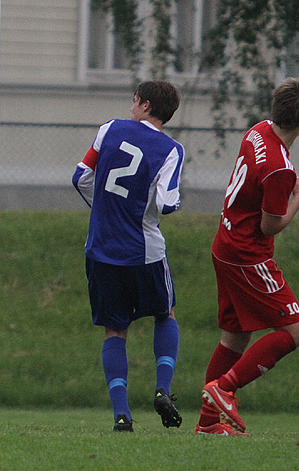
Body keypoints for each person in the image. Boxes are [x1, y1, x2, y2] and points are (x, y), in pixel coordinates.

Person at [197, 77, 299, 436]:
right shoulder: (280, 168)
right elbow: (271, 226)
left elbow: (266, 173)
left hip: (224, 245)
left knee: (234, 339)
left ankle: (208, 423)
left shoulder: (258, 131)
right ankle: (224, 389)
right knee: (294, 331)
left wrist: (297, 184)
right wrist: (297, 199)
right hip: (248, 256)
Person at [72, 80, 185, 432]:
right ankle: (163, 389)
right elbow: (167, 203)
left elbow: (80, 177)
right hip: (144, 252)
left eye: (134, 101)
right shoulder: (171, 149)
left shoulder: (109, 129)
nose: (131, 107)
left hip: (101, 250)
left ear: (145, 104)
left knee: (114, 331)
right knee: (164, 313)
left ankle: (122, 414)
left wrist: (106, 210)